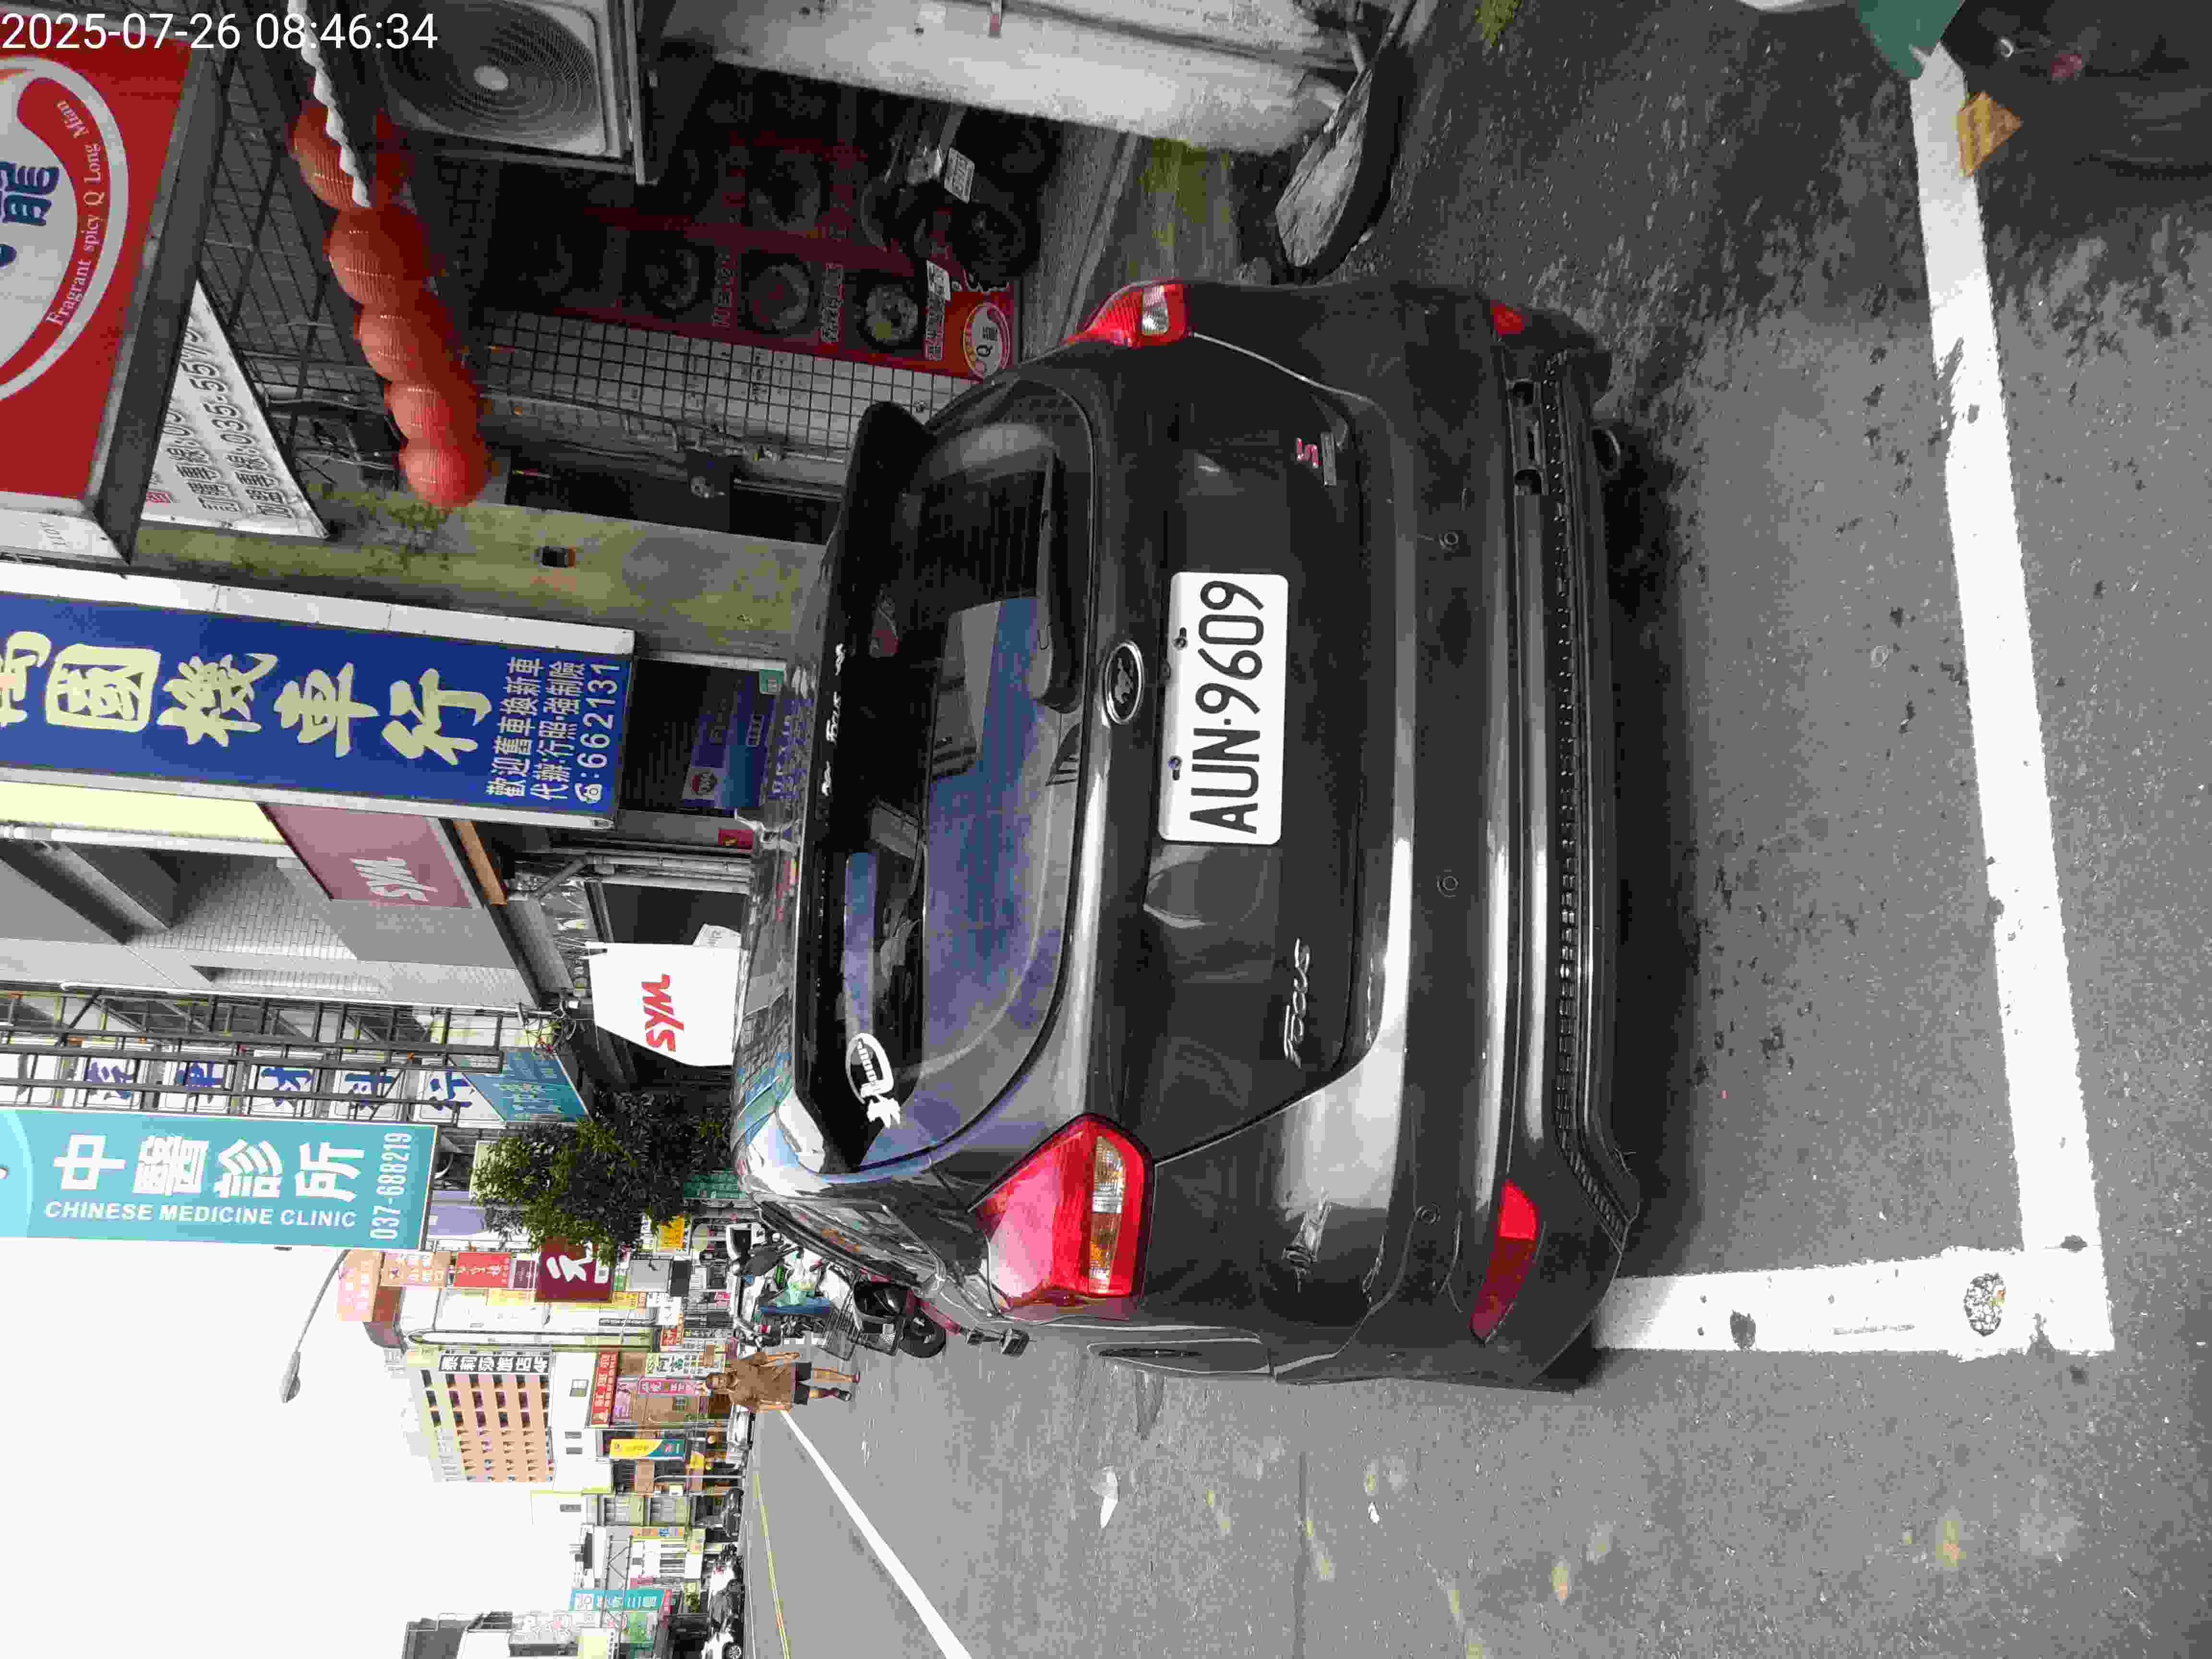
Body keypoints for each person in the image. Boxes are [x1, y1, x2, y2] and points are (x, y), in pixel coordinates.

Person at [712, 1348, 857, 1409]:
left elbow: (763, 1359)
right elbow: (759, 1406)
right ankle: (833, 1392)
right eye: (719, 1383)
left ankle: (850, 1379)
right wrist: (779, 1407)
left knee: (817, 1374)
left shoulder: (739, 1365)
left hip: (784, 1372)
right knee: (817, 1393)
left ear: (721, 1374)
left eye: (719, 1378)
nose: (722, 1381)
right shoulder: (736, 1398)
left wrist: (785, 1356)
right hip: (783, 1393)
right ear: (720, 1388)